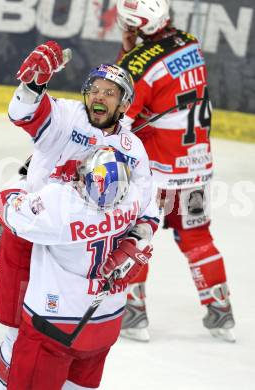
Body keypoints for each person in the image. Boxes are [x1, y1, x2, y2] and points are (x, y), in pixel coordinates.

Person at [0, 40, 160, 388]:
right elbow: (24, 114)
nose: (99, 96)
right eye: (94, 89)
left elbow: (150, 206)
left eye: (110, 93)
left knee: (63, 342)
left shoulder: (133, 148)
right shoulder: (68, 117)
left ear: (125, 103)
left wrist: (135, 242)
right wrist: (33, 86)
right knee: (17, 331)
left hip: (80, 251)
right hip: (29, 235)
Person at [115, 0, 235, 342]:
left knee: (133, 233)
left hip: (158, 173)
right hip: (195, 167)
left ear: (133, 26)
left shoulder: (139, 67)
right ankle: (221, 312)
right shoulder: (190, 42)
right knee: (198, 238)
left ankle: (133, 314)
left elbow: (117, 115)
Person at [0, 146, 154, 389]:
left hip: (53, 328)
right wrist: (136, 239)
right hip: (103, 325)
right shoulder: (133, 200)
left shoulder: (59, 204)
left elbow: (4, 205)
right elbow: (153, 211)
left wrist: (30, 173)